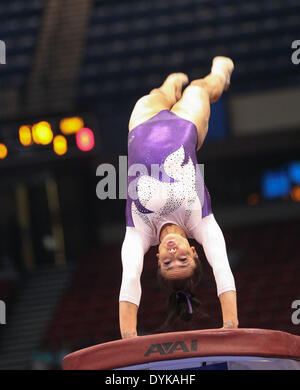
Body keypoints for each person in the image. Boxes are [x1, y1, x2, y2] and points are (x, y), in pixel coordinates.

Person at [119, 56, 238, 339]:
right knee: (200, 88)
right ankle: (220, 75)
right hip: (186, 125)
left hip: (141, 125)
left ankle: (169, 88)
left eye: (167, 263)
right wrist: (231, 325)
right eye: (183, 261)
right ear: (196, 253)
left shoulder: (139, 233)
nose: (174, 256)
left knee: (157, 94)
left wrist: (129, 338)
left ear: (156, 257)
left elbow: (130, 278)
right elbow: (222, 267)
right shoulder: (200, 222)